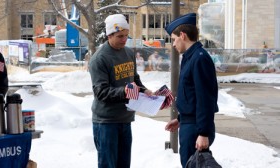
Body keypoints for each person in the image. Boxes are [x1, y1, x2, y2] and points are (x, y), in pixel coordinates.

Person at [88, 14, 152, 168]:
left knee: (124, 164)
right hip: (106, 122)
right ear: (109, 35)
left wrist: (145, 91)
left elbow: (133, 78)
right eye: (120, 36)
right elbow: (101, 92)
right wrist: (125, 91)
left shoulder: (129, 53)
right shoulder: (99, 59)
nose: (124, 39)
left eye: (126, 36)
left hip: (125, 118)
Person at [164, 13, 219, 167]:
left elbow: (205, 99)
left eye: (174, 39)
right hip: (190, 124)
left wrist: (203, 133)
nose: (173, 44)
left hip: (196, 128)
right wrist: (182, 119)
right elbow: (192, 96)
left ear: (183, 35)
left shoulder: (199, 58)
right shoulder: (191, 57)